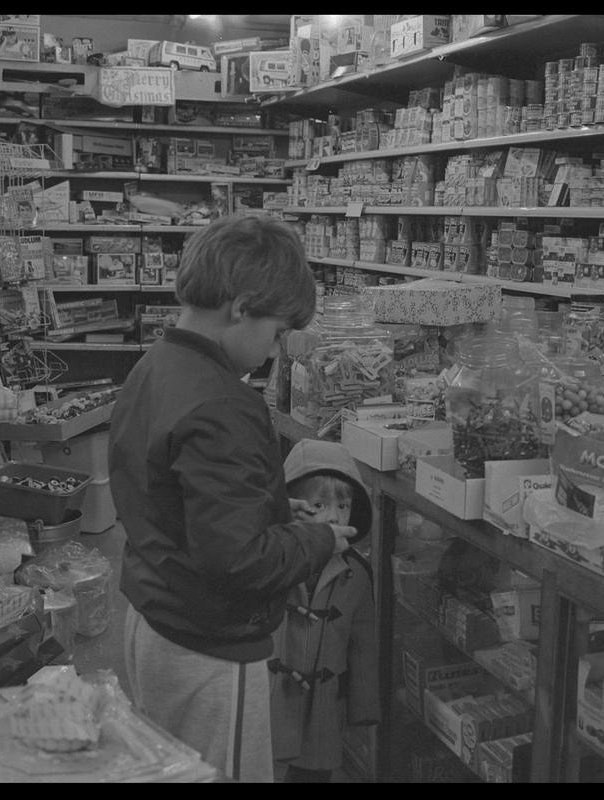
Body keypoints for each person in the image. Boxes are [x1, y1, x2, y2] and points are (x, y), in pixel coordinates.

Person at [108, 215, 358, 782]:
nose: (274, 351)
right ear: (242, 307)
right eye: (276, 333)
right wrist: (315, 538)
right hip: (209, 646)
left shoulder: (155, 366)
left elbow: (173, 497)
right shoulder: (223, 402)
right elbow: (239, 561)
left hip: (156, 613)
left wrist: (270, 507)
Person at [271, 439, 380, 783]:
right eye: (319, 504)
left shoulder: (356, 574)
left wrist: (364, 706)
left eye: (343, 506)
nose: (334, 516)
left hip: (323, 705)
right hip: (271, 700)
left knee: (314, 773)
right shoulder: (271, 561)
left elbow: (364, 643)